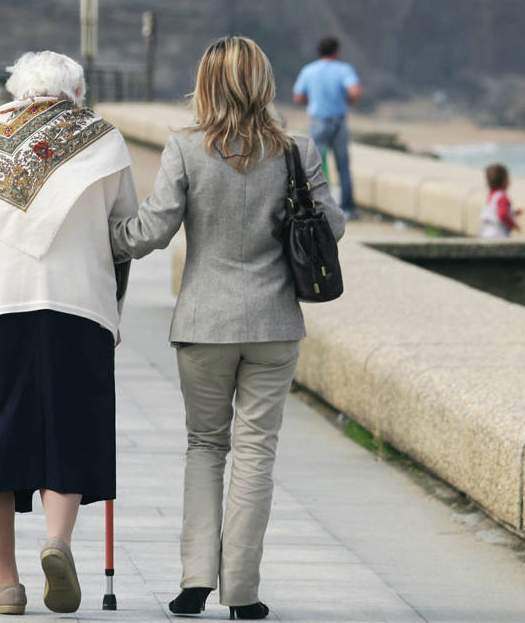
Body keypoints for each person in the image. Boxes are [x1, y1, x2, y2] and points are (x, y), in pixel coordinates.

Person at [110, 36, 346, 620]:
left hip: (204, 324)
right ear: (264, 83)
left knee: (205, 447)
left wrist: (99, 239)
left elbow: (149, 233)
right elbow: (332, 228)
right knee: (256, 452)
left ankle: (194, 581)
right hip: (273, 324)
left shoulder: (185, 149)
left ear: (207, 83)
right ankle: (242, 592)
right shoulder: (299, 150)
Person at [0, 50, 137, 615]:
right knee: (66, 430)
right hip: (79, 306)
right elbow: (121, 238)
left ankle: (6, 584)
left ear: (18, 92)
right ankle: (57, 541)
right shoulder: (103, 138)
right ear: (77, 91)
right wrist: (113, 310)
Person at [292, 35, 362, 219]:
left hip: (317, 122)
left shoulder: (309, 70)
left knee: (312, 165)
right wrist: (347, 102)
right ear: (336, 51)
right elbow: (355, 91)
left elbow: (298, 97)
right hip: (338, 122)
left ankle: (312, 205)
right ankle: (347, 208)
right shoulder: (344, 69)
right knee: (343, 167)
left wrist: (313, 100)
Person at [480, 163, 521, 239]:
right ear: (505, 181)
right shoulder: (502, 197)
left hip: (486, 232)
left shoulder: (492, 195)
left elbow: (494, 212)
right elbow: (502, 215)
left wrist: (514, 213)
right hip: (498, 234)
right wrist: (514, 225)